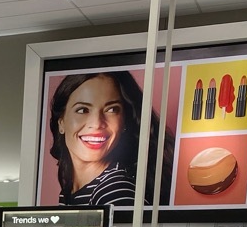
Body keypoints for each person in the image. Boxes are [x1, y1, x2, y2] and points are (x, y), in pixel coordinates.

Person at [47, 70, 174, 207]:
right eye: (83, 110)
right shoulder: (70, 191)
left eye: (111, 109)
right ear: (61, 123)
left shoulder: (117, 193)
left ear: (124, 122)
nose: (96, 123)